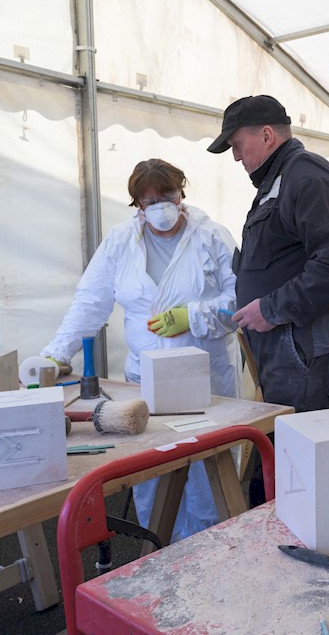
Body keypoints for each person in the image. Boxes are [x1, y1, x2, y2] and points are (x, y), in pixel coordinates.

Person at [41, 158, 242, 541]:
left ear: (181, 193)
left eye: (166, 195)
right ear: (137, 205)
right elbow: (91, 301)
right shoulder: (121, 241)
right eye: (148, 200)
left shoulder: (213, 237)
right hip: (143, 381)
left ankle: (214, 553)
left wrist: (194, 316)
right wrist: (57, 352)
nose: (160, 206)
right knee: (151, 469)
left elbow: (243, 300)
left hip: (205, 381)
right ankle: (158, 551)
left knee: (208, 474)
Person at [206, 95, 329, 412]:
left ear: (267, 135)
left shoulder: (307, 177)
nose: (236, 157)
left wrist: (270, 309)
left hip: (306, 349)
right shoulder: (279, 181)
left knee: (307, 448)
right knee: (289, 446)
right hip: (287, 349)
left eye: (237, 145)